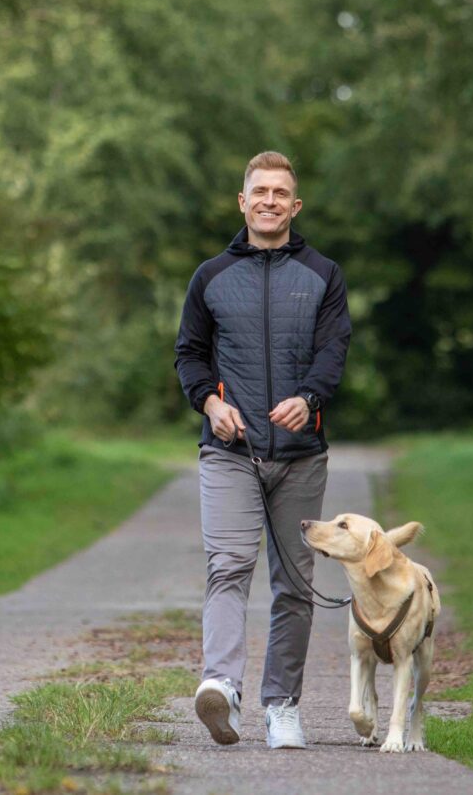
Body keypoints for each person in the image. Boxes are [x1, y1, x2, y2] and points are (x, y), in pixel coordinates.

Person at [174, 151, 351, 748]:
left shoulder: (324, 275)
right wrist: (209, 404)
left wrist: (310, 396)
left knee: (295, 586)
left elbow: (333, 352)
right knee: (227, 567)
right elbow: (189, 354)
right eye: (260, 191)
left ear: (294, 207)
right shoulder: (211, 276)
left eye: (281, 192)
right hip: (230, 452)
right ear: (242, 201)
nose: (270, 200)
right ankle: (221, 685)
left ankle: (282, 706)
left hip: (302, 454)